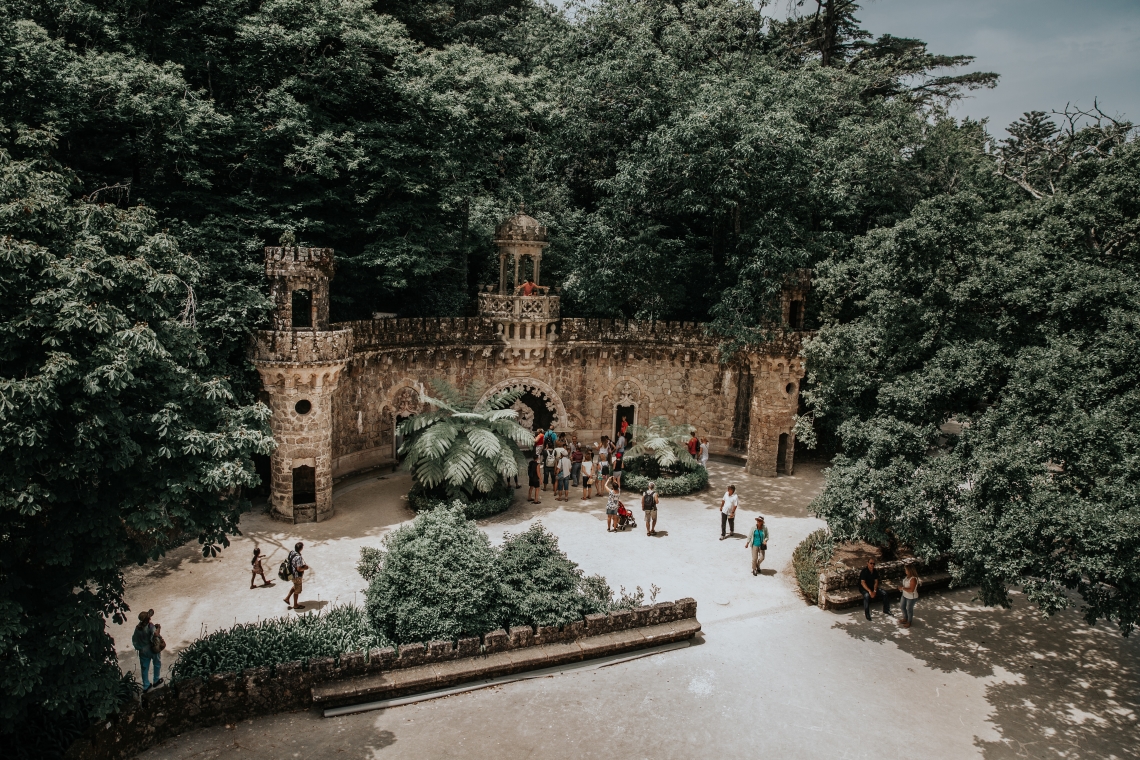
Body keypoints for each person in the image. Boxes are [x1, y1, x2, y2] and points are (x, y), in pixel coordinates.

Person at [131, 610, 163, 691]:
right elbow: (155, 634)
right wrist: (158, 628)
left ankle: (146, 685)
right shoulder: (150, 626)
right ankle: (156, 680)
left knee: (144, 667)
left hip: (142, 650)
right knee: (156, 663)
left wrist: (138, 647)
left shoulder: (137, 628)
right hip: (151, 648)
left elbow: (134, 639)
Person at [284, 542, 309, 610]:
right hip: (297, 576)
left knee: (295, 586)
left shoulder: (292, 552)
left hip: (291, 573)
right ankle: (295, 605)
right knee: (297, 590)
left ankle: (287, 598)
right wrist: (305, 568)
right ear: (301, 548)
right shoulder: (298, 557)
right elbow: (299, 569)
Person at [898, 564, 920, 628]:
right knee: (902, 606)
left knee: (909, 609)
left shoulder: (913, 579)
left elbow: (911, 590)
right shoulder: (907, 577)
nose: (905, 571)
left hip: (911, 597)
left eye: (906, 570)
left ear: (909, 570)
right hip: (904, 595)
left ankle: (909, 621)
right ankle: (905, 618)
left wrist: (902, 588)